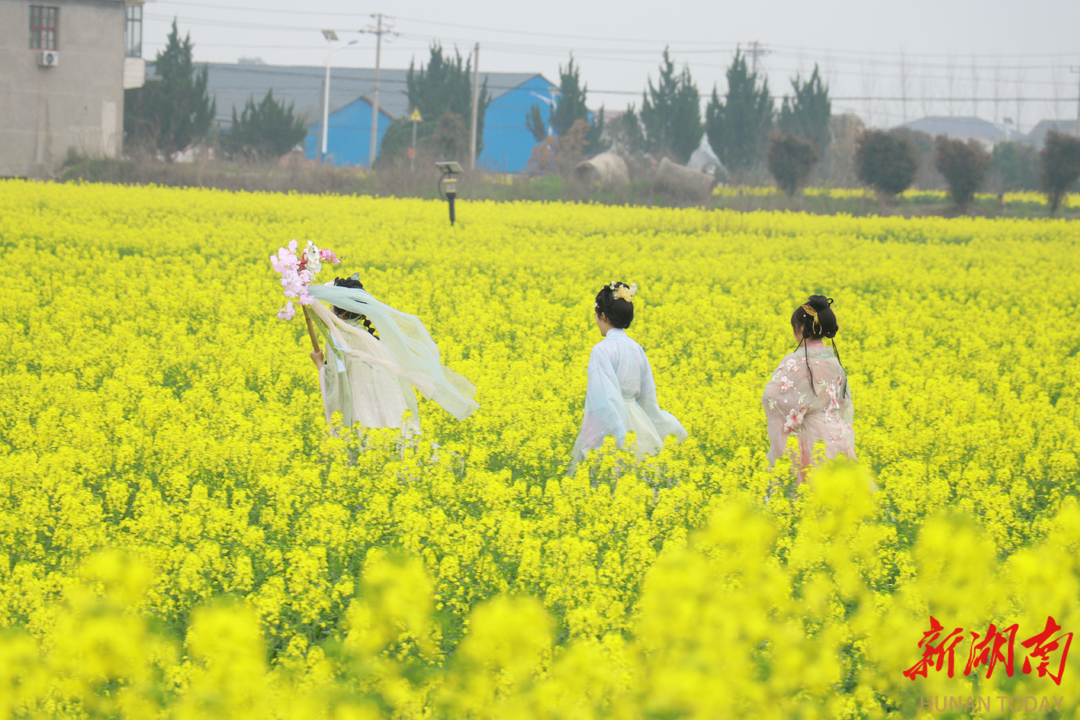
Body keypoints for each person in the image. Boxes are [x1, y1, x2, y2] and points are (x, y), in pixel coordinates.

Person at [307, 275, 478, 435]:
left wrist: (320, 365)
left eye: (331, 305)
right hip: (387, 403)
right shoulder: (364, 335)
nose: (328, 309)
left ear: (341, 313)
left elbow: (336, 380)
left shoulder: (338, 339)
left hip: (360, 406)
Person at [568, 281, 687, 474]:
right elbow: (648, 396)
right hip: (639, 423)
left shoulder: (601, 350)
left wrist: (597, 440)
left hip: (611, 421)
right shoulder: (636, 348)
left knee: (603, 480)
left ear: (603, 316)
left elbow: (602, 398)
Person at [762, 295, 855, 485]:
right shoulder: (834, 362)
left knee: (803, 496)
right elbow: (843, 404)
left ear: (802, 329)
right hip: (835, 436)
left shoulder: (794, 361)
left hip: (808, 439)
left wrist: (795, 418)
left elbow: (771, 397)